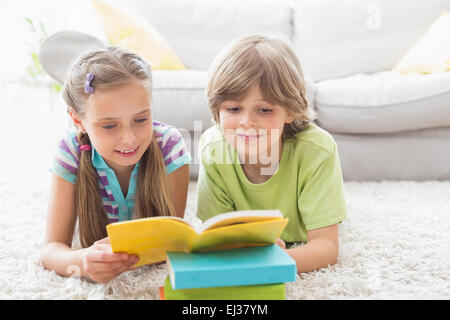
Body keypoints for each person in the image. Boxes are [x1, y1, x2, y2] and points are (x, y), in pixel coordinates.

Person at [196, 34, 347, 274]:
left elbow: (326, 247)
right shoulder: (212, 148)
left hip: (297, 238)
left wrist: (273, 260)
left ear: (290, 111)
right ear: (217, 109)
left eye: (265, 110)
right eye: (234, 108)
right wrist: (242, 247)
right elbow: (216, 235)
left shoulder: (317, 151)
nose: (247, 122)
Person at [40, 47, 191, 283]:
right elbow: (50, 250)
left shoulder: (169, 146)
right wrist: (83, 262)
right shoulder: (71, 151)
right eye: (110, 126)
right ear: (78, 121)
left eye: (141, 119)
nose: (129, 138)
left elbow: (172, 241)